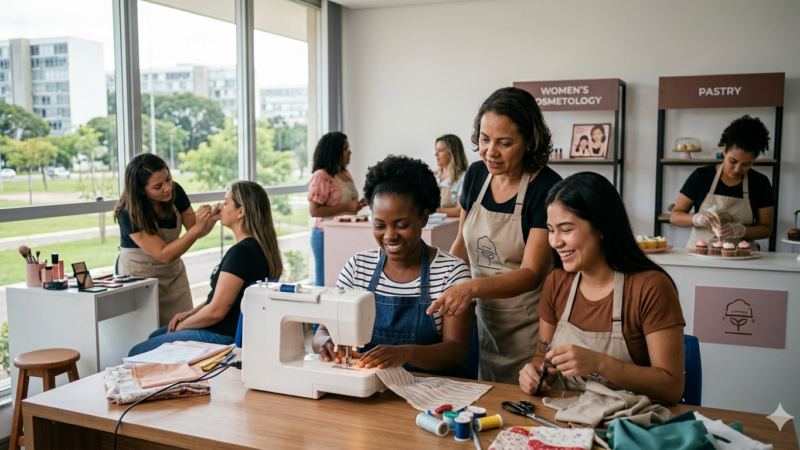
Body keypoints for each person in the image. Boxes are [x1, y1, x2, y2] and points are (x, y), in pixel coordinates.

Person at [427, 87, 562, 384]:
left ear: (529, 141)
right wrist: (442, 279)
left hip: (532, 323)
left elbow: (531, 272)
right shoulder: (476, 175)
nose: (491, 152)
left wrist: (471, 288)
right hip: (486, 319)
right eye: (485, 140)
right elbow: (462, 242)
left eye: (505, 143)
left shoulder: (547, 188)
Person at [519, 172, 686, 402]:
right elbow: (543, 355)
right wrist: (536, 373)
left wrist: (599, 363)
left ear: (602, 228)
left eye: (566, 230)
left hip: (635, 424)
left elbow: (672, 387)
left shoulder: (651, 287)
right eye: (551, 229)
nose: (555, 241)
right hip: (572, 419)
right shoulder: (557, 282)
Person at [313, 155, 473, 374]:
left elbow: (457, 353)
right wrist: (325, 344)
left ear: (424, 218)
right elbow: (322, 332)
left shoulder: (451, 273)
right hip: (369, 388)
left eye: (401, 225)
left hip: (430, 393)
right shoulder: (357, 268)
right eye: (379, 225)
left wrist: (405, 354)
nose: (389, 236)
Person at [128, 181, 284, 356]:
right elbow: (221, 297)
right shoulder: (259, 247)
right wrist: (190, 313)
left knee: (137, 352)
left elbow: (216, 312)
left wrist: (183, 325)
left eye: (225, 203)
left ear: (241, 211)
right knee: (156, 335)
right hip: (230, 330)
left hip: (222, 334)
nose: (220, 207)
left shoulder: (241, 253)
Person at [114, 153, 218, 327]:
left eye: (168, 180)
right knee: (147, 333)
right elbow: (163, 254)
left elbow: (195, 229)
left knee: (182, 329)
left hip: (173, 276)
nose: (167, 188)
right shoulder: (127, 212)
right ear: (141, 189)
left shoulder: (175, 192)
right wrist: (198, 227)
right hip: (139, 278)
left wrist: (212, 218)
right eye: (157, 186)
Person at [670, 115, 774, 248]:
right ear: (724, 150)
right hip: (701, 255)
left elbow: (766, 229)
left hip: (742, 257)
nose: (737, 169)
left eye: (747, 164)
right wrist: (697, 218)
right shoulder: (701, 176)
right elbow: (675, 217)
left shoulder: (760, 183)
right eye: (733, 161)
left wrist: (741, 230)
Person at [308, 132, 367, 286]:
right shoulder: (321, 176)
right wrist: (347, 206)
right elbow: (314, 211)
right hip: (325, 235)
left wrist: (358, 204)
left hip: (344, 234)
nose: (350, 152)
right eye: (345, 149)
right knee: (325, 282)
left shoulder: (345, 173)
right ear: (335, 151)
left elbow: (345, 206)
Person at [434, 134, 469, 217]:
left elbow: (459, 210)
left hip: (453, 227)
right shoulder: (434, 177)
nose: (436, 154)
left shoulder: (463, 178)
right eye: (436, 150)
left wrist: (432, 212)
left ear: (452, 153)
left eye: (440, 150)